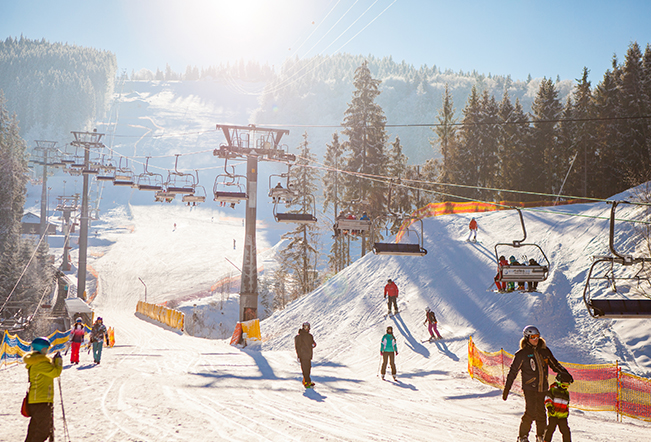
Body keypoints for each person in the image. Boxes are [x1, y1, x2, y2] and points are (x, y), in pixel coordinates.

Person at [503, 325, 572, 442]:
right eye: (533, 337)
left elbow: (555, 364)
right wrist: (506, 389)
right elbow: (513, 372)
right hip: (529, 388)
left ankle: (541, 436)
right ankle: (523, 437)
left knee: (541, 413)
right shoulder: (522, 354)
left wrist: (566, 374)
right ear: (526, 338)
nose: (536, 339)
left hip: (543, 387)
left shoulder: (544, 351)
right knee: (530, 412)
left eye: (537, 336)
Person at [23, 337, 63, 442]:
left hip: (37, 400)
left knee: (35, 429)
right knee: (43, 431)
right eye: (46, 349)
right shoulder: (40, 363)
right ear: (41, 349)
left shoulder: (36, 361)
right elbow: (55, 372)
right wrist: (58, 362)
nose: (47, 351)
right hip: (41, 400)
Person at [543, 372, 574, 442]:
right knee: (550, 429)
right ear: (559, 382)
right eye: (564, 385)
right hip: (553, 414)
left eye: (567, 386)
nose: (565, 387)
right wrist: (549, 407)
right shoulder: (553, 390)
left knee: (566, 431)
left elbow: (567, 404)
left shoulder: (566, 393)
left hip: (562, 416)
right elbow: (547, 398)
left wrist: (566, 412)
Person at [294, 322, 316, 388]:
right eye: (305, 327)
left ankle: (307, 381)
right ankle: (307, 382)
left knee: (308, 368)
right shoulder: (299, 336)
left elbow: (313, 343)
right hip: (303, 355)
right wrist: (299, 356)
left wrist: (313, 345)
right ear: (303, 327)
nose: (306, 328)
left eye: (307, 327)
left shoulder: (310, 336)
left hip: (308, 355)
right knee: (305, 369)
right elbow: (297, 346)